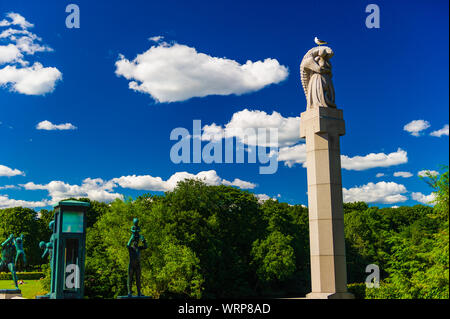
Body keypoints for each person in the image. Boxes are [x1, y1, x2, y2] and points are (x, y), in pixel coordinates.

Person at [127, 230, 147, 297]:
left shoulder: (139, 248)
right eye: (135, 241)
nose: (136, 242)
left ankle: (139, 292)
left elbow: (146, 246)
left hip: (138, 265)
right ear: (133, 242)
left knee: (138, 280)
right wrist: (131, 238)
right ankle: (129, 292)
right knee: (130, 279)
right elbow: (127, 245)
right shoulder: (131, 248)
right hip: (131, 265)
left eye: (137, 241)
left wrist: (143, 239)